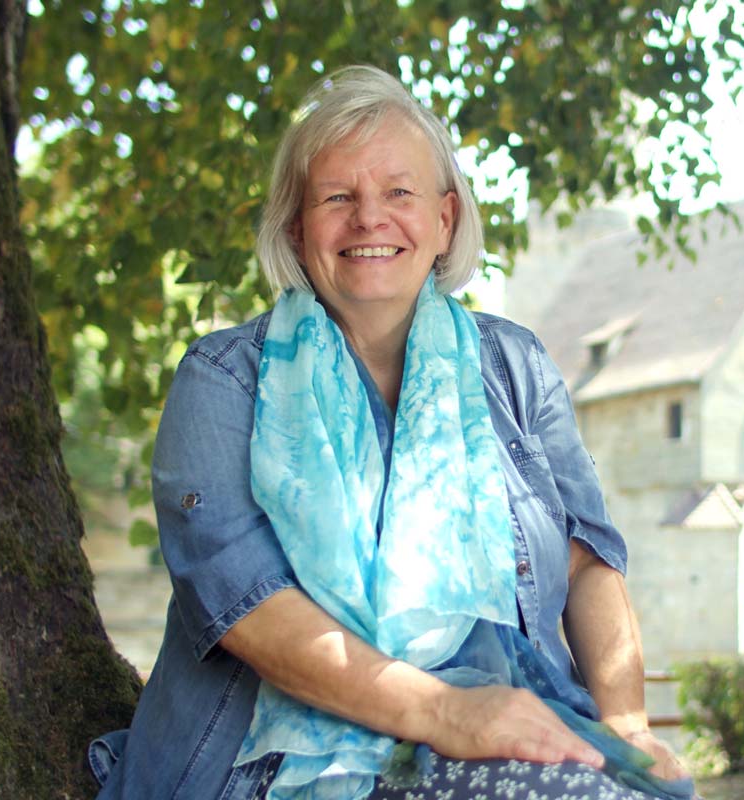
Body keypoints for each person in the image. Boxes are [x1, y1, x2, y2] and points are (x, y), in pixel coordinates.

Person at [88, 65, 695, 800]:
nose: (370, 218)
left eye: (398, 193)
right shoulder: (221, 381)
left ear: (445, 220)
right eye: (338, 197)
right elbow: (250, 613)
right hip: (278, 762)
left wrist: (627, 722)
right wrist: (448, 712)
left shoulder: (516, 364)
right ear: (296, 228)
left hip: (522, 722)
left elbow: (586, 563)